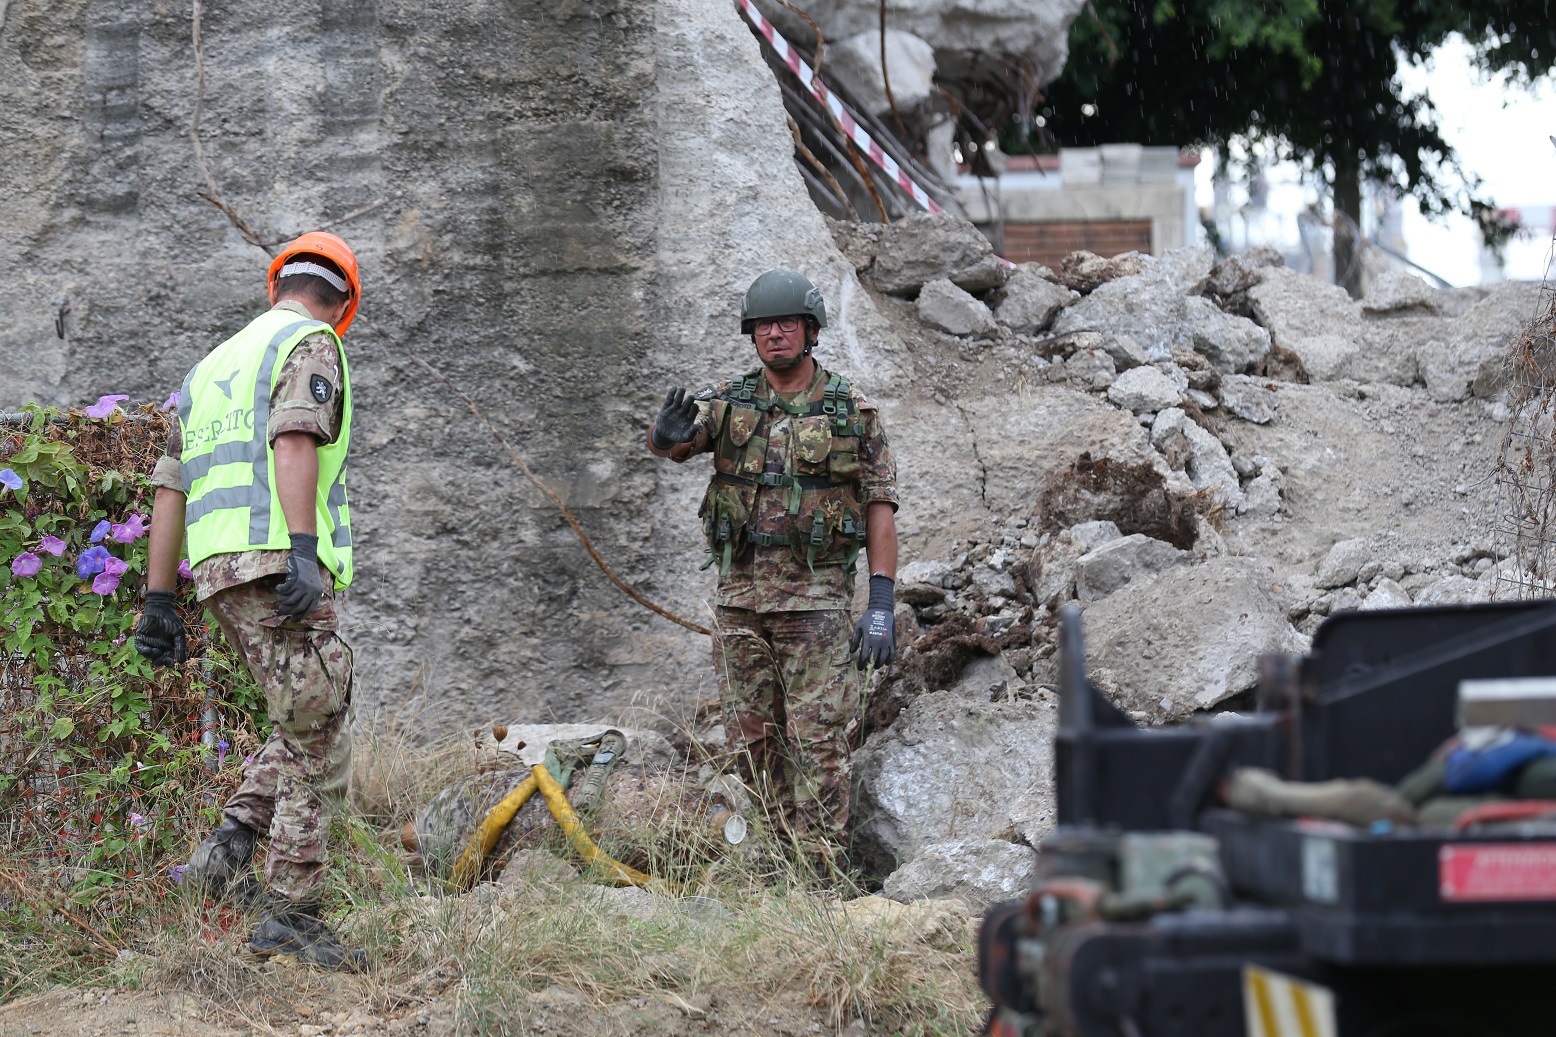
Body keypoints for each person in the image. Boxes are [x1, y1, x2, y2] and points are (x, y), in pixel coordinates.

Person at [134, 232, 365, 971]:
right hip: (275, 564)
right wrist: (303, 548)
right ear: (344, 302)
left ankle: (230, 846)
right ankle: (290, 911)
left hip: (216, 571)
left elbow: (171, 485)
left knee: (299, 714)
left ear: (277, 284)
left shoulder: (210, 367)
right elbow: (294, 440)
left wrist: (158, 600)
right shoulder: (311, 342)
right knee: (321, 727)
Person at [646, 268, 899, 871]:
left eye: (787, 323)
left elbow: (880, 512)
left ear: (810, 332)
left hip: (816, 609)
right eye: (763, 325)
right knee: (753, 745)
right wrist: (661, 437)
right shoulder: (730, 403)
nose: (775, 334)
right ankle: (774, 869)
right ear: (751, 335)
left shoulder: (852, 413)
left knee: (819, 745)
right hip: (740, 607)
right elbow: (680, 442)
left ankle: (820, 877)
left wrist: (882, 605)